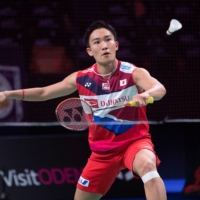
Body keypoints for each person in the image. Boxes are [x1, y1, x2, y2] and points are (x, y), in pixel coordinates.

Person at [0, 20, 167, 200]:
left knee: (148, 166)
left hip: (134, 142)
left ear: (116, 45)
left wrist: (146, 94)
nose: (104, 45)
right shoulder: (81, 78)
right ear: (89, 51)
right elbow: (43, 92)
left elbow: (159, 89)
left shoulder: (134, 73)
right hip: (101, 152)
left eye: (108, 40)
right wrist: (8, 94)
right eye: (97, 42)